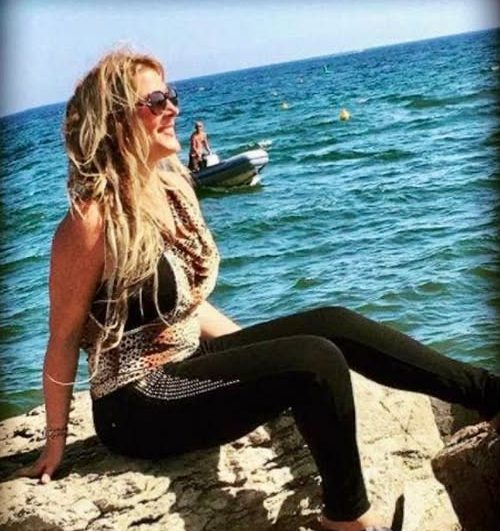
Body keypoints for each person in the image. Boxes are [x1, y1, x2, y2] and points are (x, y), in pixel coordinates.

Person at [18, 50, 500, 531]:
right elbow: (63, 337)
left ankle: (487, 393)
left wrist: (260, 356)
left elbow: (188, 306)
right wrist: (55, 443)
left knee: (332, 324)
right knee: (314, 360)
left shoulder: (169, 190)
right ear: (116, 119)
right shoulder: (89, 223)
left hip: (187, 362)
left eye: (172, 96)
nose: (174, 108)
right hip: (136, 402)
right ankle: (347, 519)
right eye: (157, 100)